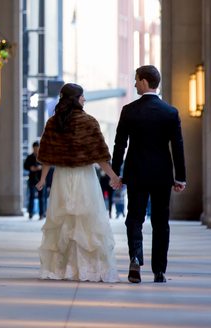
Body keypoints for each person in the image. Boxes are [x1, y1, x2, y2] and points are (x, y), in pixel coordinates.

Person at [36, 83, 121, 282]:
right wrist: (113, 176)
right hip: (85, 177)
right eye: (83, 96)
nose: (85, 99)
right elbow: (99, 155)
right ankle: (89, 268)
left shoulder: (53, 123)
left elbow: (46, 156)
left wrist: (42, 179)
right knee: (88, 222)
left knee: (62, 222)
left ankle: (61, 269)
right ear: (76, 98)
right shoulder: (89, 122)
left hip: (62, 177)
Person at [112, 65, 187, 285]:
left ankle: (135, 257)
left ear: (144, 82)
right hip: (162, 175)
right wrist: (180, 177)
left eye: (136, 80)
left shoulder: (129, 111)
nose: (134, 84)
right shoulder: (170, 112)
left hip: (136, 174)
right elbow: (178, 147)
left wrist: (116, 173)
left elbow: (120, 145)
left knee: (134, 218)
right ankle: (159, 271)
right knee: (161, 222)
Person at [23, 142, 45, 219]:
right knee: (31, 196)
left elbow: (47, 167)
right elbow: (25, 166)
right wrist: (31, 168)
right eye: (35, 148)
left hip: (40, 179)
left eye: (37, 148)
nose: (36, 150)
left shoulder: (42, 157)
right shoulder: (30, 157)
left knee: (41, 197)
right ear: (33, 148)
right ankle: (30, 213)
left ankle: (41, 213)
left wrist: (40, 168)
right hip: (32, 179)